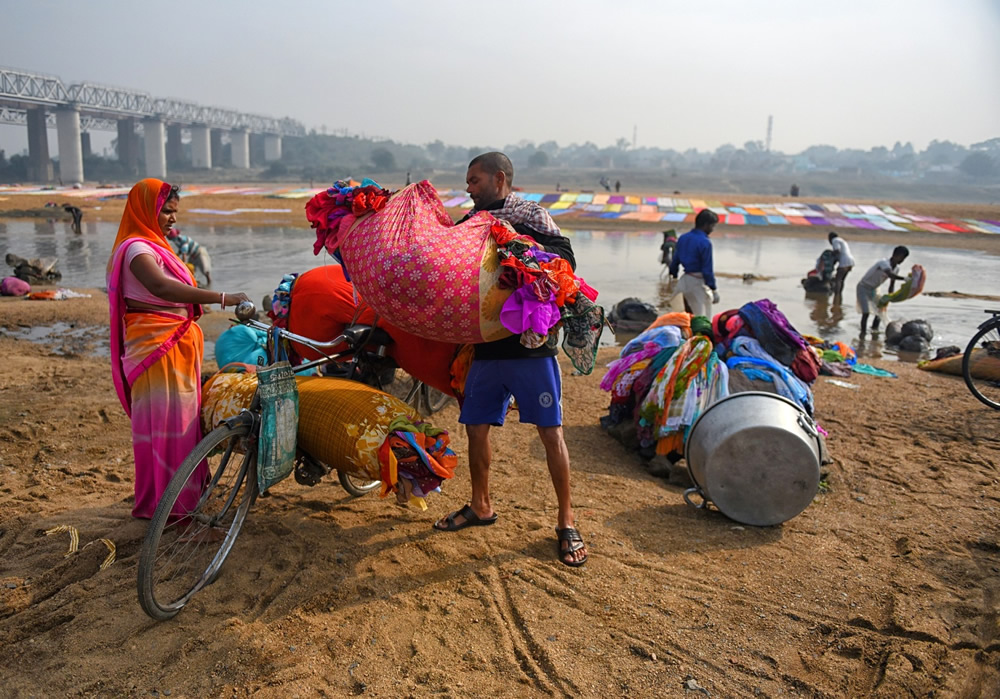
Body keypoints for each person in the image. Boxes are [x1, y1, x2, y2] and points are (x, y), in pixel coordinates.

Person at [433, 151, 587, 568]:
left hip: (530, 348)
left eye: (474, 180)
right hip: (484, 349)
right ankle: (480, 505)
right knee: (476, 430)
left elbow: (565, 260)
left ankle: (566, 520)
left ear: (499, 179)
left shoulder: (530, 215)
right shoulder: (469, 224)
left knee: (550, 433)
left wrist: (517, 249)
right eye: (467, 182)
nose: (468, 188)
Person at [107, 178, 249, 520]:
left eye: (174, 212)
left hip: (172, 347)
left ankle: (167, 500)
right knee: (171, 429)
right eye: (166, 211)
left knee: (173, 427)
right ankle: (176, 509)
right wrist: (222, 298)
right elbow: (160, 287)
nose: (172, 218)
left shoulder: (154, 246)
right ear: (146, 210)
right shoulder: (137, 249)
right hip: (159, 350)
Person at [668, 209, 720, 317]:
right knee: (701, 318)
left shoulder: (683, 238)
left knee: (685, 315)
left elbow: (675, 261)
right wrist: (713, 289)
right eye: (712, 226)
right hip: (697, 282)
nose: (712, 229)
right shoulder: (705, 242)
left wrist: (674, 276)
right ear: (706, 225)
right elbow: (707, 269)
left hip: (685, 281)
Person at [856, 246, 909, 336]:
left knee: (881, 309)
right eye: (901, 257)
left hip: (874, 289)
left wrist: (890, 297)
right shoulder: (883, 263)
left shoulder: (896, 268)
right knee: (866, 313)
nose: (902, 260)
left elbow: (892, 284)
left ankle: (874, 329)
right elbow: (890, 274)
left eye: (904, 259)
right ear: (896, 255)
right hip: (863, 287)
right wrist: (904, 278)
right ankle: (863, 334)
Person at [828, 232, 854, 298]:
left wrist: (831, 255)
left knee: (838, 279)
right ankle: (839, 296)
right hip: (851, 261)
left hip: (844, 262)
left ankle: (836, 296)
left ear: (830, 238)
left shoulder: (835, 240)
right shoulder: (842, 240)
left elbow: (837, 251)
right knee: (842, 280)